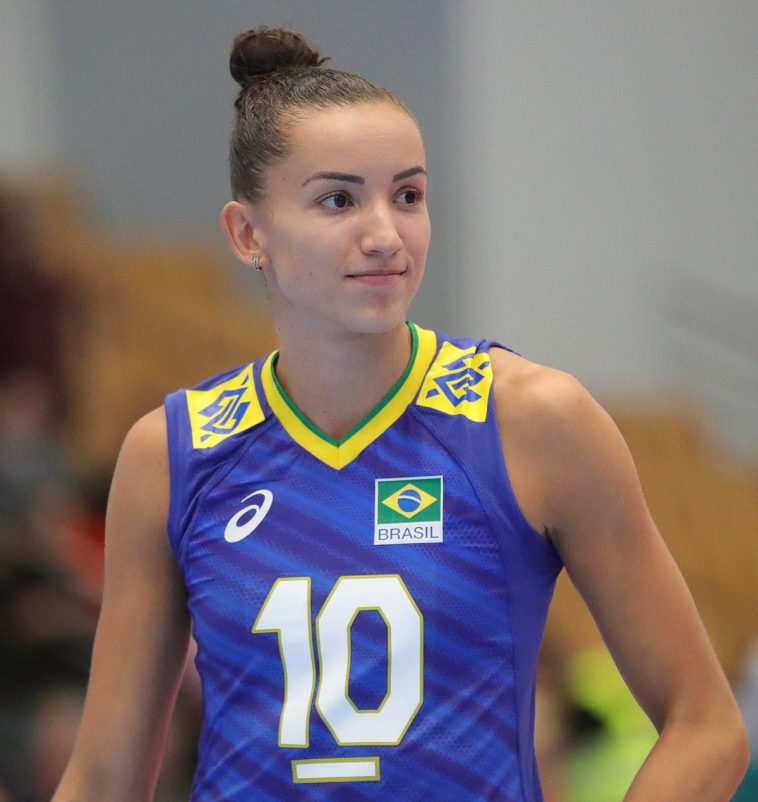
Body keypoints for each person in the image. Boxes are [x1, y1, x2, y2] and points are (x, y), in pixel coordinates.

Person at [52, 26, 748, 802]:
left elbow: (706, 726)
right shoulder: (171, 454)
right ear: (248, 234)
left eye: (408, 196)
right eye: (338, 200)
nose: (386, 235)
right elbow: (103, 777)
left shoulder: (533, 421)